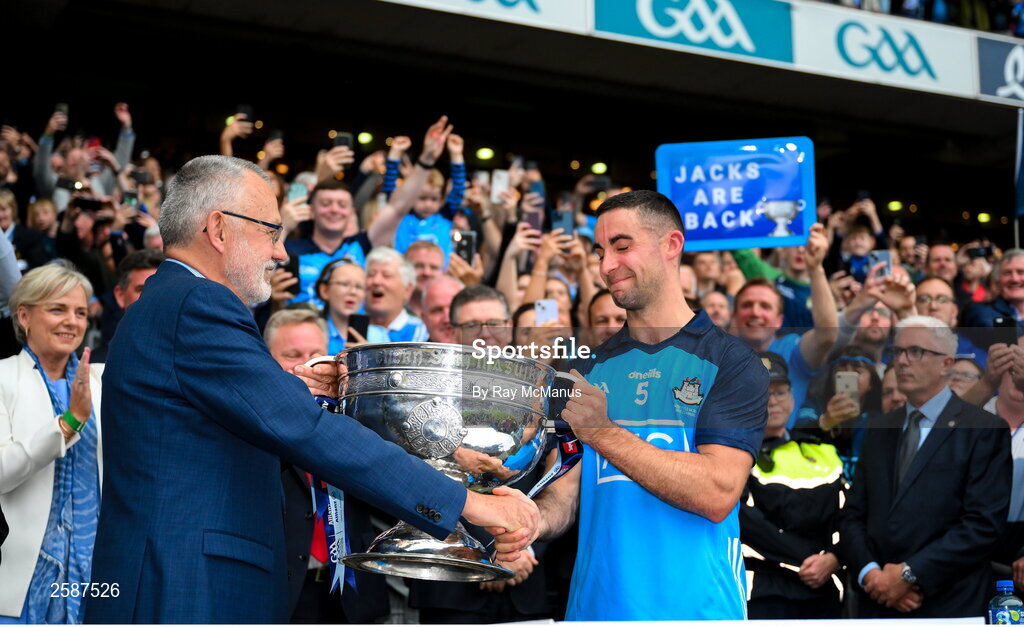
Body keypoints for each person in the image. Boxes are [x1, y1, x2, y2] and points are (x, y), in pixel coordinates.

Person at [85, 155, 538, 623]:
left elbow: (221, 420)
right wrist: (466, 502)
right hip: (182, 587)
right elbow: (305, 431)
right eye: (270, 231)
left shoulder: (174, 303)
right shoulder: (198, 305)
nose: (281, 253)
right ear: (219, 230)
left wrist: (290, 390)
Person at [494, 190, 768, 620]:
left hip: (697, 611)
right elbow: (567, 490)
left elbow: (717, 492)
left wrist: (603, 432)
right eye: (600, 251)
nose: (606, 266)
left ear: (672, 245)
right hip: (595, 610)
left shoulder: (731, 362)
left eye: (623, 247)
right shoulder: (582, 369)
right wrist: (533, 521)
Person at [838, 316, 1011, 618]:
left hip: (951, 604)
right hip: (878, 603)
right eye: (897, 352)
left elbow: (982, 525)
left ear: (947, 364)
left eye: (915, 352)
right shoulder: (880, 427)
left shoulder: (985, 429)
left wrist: (908, 575)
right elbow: (853, 514)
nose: (902, 361)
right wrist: (872, 575)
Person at [263, 309, 391, 624]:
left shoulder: (359, 416)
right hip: (283, 590)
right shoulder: (253, 422)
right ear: (266, 361)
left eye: (315, 355)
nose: (307, 365)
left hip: (356, 591)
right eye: (293, 355)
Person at [0, 262, 103, 622]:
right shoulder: (2, 378)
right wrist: (68, 423)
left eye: (79, 312)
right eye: (57, 309)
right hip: (20, 578)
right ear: (24, 315)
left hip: (92, 577)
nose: (72, 322)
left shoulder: (101, 383)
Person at [284, 117, 450, 307]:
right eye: (326, 203)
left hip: (354, 336)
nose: (334, 210)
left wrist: (427, 160)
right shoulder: (290, 249)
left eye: (342, 204)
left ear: (351, 211)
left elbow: (398, 207)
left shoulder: (359, 246)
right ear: (311, 210)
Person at [741, 352, 844, 619]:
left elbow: (850, 514)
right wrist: (810, 559)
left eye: (780, 392)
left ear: (792, 398)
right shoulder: (733, 453)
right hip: (764, 592)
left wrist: (833, 558)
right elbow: (747, 523)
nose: (772, 402)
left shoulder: (822, 451)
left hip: (824, 591)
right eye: (762, 393)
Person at [731, 223, 838, 425]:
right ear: (734, 315)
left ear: (779, 320)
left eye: (765, 306)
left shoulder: (792, 350)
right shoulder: (719, 356)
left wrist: (815, 268)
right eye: (747, 305)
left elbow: (827, 335)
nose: (755, 312)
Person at [92, 249, 164, 362]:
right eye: (142, 289)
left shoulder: (194, 357)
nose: (152, 296)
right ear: (120, 295)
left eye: (161, 289)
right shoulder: (92, 367)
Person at [314, 258, 382, 354]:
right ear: (324, 290)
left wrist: (370, 355)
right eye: (345, 284)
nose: (353, 292)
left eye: (359, 287)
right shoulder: (311, 331)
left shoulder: (378, 336)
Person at [364, 247, 429, 342]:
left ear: (407, 289)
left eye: (386, 275)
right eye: (371, 274)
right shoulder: (347, 325)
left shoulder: (422, 333)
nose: (376, 281)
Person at [963, 250, 1024, 349]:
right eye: (1007, 273)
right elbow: (1001, 339)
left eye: (1021, 272)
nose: (1015, 279)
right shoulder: (979, 311)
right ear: (997, 281)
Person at [421, 276, 463, 344]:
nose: (447, 319)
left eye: (453, 309)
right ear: (424, 318)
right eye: (437, 311)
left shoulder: (484, 352)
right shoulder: (413, 354)